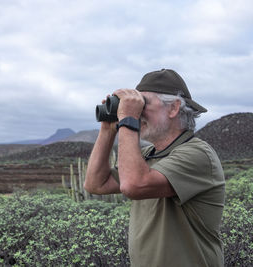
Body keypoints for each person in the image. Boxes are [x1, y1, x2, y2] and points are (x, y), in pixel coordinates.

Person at [84, 69, 225, 267]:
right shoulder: (147, 155)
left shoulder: (198, 154)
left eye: (143, 104)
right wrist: (108, 129)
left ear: (174, 108)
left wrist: (128, 119)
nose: (137, 112)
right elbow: (96, 184)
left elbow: (133, 185)